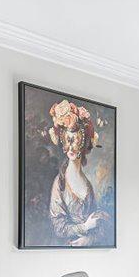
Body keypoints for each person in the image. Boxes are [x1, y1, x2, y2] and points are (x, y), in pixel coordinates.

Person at [47, 99, 111, 246]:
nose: (70, 147)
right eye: (67, 140)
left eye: (75, 140)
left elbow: (96, 224)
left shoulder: (87, 184)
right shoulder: (60, 182)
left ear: (83, 143)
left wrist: (88, 240)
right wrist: (85, 227)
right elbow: (58, 227)